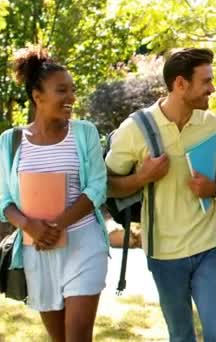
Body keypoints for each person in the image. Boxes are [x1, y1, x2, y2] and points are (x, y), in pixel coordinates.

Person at [105, 48, 216, 342]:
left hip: (208, 246)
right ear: (180, 84)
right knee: (181, 335)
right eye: (206, 81)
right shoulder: (135, 129)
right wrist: (143, 177)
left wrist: (215, 188)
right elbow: (108, 183)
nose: (212, 88)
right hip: (164, 253)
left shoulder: (213, 124)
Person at [0, 46, 108, 341]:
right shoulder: (10, 141)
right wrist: (29, 225)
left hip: (84, 244)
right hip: (38, 251)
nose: (71, 98)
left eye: (72, 90)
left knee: (77, 337)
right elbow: (4, 201)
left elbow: (97, 187)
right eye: (62, 90)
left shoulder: (84, 132)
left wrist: (58, 225)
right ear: (38, 96)